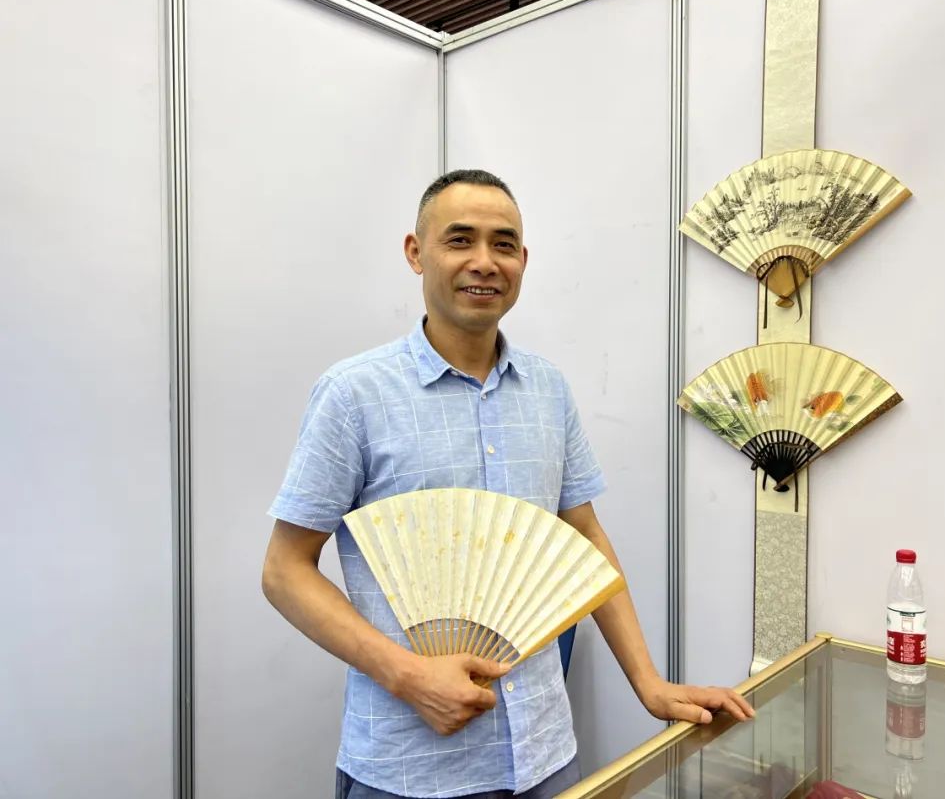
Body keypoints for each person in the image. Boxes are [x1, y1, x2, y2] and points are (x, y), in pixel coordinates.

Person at [262, 169, 754, 799]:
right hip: (409, 768)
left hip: (545, 754)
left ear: (523, 259)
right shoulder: (353, 393)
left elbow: (585, 538)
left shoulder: (548, 389)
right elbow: (284, 571)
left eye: (503, 244)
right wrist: (408, 675)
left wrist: (650, 685)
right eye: (459, 239)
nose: (484, 262)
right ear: (416, 253)